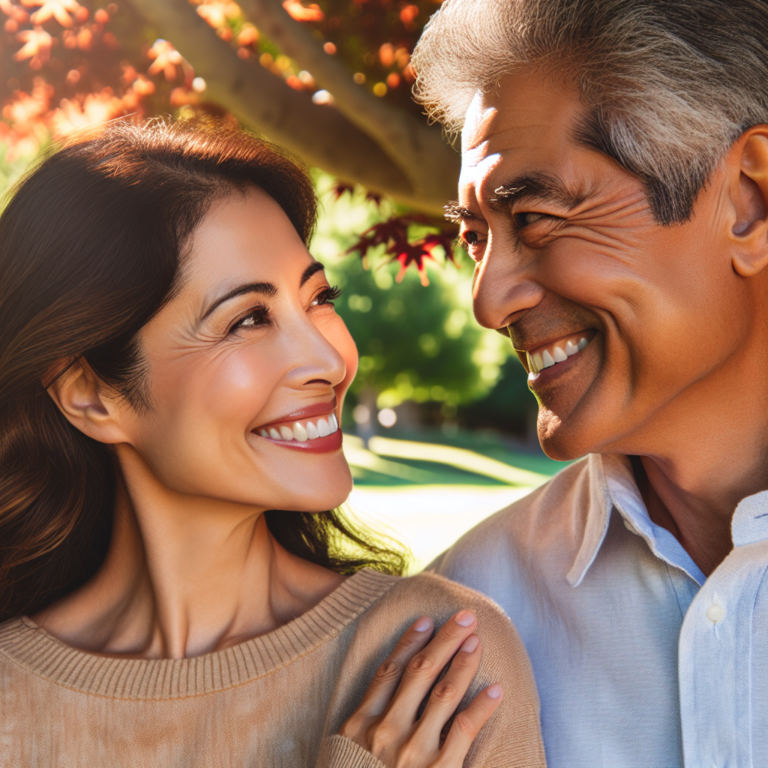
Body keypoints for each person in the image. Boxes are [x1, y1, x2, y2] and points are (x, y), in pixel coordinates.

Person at [0, 119, 545, 768]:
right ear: (90, 394)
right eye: (248, 319)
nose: (328, 356)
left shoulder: (431, 655)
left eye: (318, 298)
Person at [410, 1, 768, 766]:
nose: (486, 300)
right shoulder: (464, 619)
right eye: (475, 240)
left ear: (749, 201)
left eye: (535, 217)